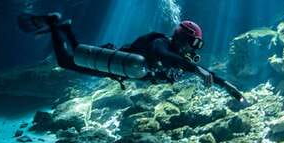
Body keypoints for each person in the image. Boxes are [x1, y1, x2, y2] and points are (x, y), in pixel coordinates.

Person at [19, 13, 246, 104]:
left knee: (76, 55)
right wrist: (197, 70)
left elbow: (199, 69)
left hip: (121, 67)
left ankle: (63, 27)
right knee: (67, 61)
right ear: (184, 39)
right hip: (117, 64)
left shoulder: (175, 55)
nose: (194, 48)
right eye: (194, 43)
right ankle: (55, 24)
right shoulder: (162, 44)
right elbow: (168, 58)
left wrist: (226, 85)